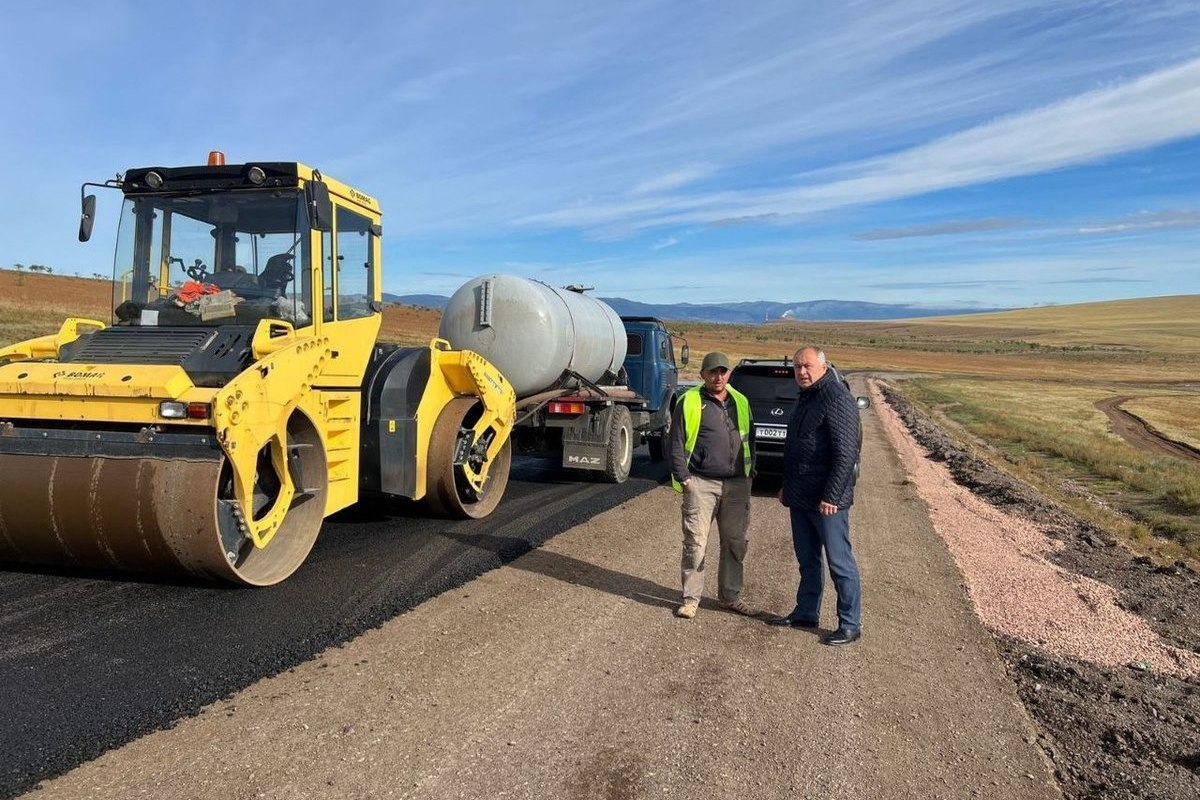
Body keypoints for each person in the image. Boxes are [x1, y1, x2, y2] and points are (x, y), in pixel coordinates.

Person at [768, 346, 863, 645]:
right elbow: (796, 449)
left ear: (823, 366)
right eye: (797, 367)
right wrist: (787, 486)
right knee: (807, 560)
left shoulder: (836, 398)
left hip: (827, 502)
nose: (802, 372)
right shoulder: (806, 397)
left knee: (839, 562)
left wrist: (832, 496)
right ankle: (806, 611)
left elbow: (846, 454)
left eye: (807, 366)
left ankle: (850, 623)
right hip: (801, 496)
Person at [668, 351, 756, 620]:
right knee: (696, 543)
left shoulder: (741, 401)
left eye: (723, 371)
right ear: (702, 375)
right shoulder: (690, 401)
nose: (718, 377)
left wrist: (751, 473)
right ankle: (691, 598)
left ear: (729, 374)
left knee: (734, 542)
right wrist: (684, 478)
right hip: (701, 483)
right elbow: (675, 442)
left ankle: (730, 597)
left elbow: (750, 438)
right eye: (712, 372)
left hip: (737, 484)